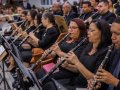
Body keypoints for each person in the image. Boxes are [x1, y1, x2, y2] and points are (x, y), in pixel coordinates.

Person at [42, 19, 112, 90]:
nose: (88, 32)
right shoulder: (89, 46)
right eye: (88, 30)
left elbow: (95, 80)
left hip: (86, 86)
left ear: (102, 32)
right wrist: (67, 65)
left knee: (50, 86)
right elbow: (78, 70)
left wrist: (76, 62)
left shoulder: (105, 52)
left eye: (92, 30)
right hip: (76, 80)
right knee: (48, 84)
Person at [88, 16, 120, 90]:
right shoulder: (115, 51)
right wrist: (99, 84)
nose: (112, 37)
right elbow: (108, 81)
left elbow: (113, 81)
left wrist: (115, 82)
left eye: (117, 34)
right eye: (112, 33)